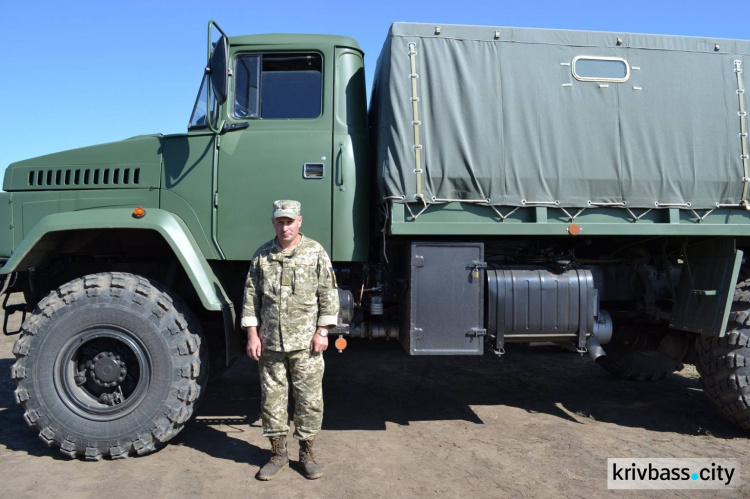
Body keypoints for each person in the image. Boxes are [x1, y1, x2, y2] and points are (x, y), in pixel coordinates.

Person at [242, 200, 339, 480]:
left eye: (290, 221)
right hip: (270, 342)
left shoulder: (315, 252)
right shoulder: (263, 255)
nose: (285, 226)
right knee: (272, 400)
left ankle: (306, 454)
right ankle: (278, 454)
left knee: (308, 400)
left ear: (300, 222)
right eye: (280, 221)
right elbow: (251, 297)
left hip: (306, 343)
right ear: (274, 223)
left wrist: (323, 331)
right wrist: (252, 334)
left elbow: (328, 294)